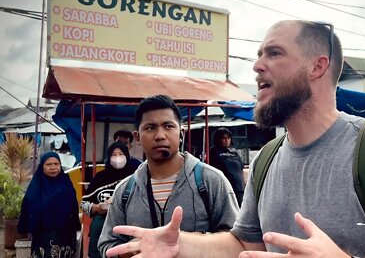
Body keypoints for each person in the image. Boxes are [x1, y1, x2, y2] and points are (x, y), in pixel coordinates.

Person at [105, 20, 365, 257]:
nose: (256, 65)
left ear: (318, 66)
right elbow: (243, 243)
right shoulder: (266, 159)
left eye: (274, 53)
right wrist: (181, 244)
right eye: (258, 54)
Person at [98, 94, 239, 257]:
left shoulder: (211, 181)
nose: (160, 135)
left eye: (168, 126)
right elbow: (107, 244)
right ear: (137, 137)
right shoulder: (125, 191)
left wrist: (188, 243)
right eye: (150, 128)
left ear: (181, 133)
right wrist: (134, 249)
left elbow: (235, 241)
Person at [18, 151, 81, 258]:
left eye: (56, 164)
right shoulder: (36, 186)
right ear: (42, 166)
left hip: (64, 234)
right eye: (48, 164)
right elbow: (28, 207)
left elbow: (73, 206)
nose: (53, 167)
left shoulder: (66, 183)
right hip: (42, 234)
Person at [81, 141, 136, 258]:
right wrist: (96, 208)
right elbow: (84, 204)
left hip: (128, 228)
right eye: (114, 155)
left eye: (121, 154)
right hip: (101, 227)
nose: (117, 158)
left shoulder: (135, 177)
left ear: (127, 156)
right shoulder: (100, 177)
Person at [209, 127, 245, 206]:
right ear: (219, 139)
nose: (227, 140)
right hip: (226, 189)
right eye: (224, 138)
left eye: (228, 138)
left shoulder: (234, 152)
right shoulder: (213, 152)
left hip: (239, 187)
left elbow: (241, 169)